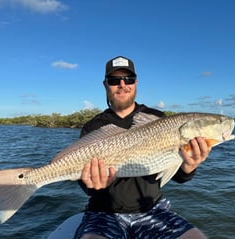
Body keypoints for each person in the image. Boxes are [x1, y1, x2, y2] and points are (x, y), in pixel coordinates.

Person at [74, 56, 211, 239]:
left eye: (128, 79)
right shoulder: (93, 127)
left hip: (152, 209)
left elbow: (177, 175)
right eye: (114, 80)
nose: (122, 84)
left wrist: (189, 167)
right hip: (103, 212)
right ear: (105, 85)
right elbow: (84, 183)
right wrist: (91, 185)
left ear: (136, 82)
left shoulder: (159, 119)